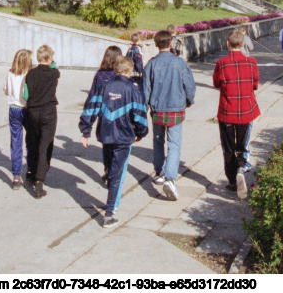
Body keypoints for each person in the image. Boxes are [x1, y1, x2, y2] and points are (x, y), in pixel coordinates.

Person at [80, 56, 149, 228]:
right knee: (116, 174)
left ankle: (110, 200)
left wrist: (86, 130)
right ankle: (109, 213)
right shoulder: (133, 90)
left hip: (105, 134)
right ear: (129, 70)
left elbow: (91, 107)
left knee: (110, 168)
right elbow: (139, 114)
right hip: (124, 136)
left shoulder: (105, 86)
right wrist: (141, 132)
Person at [142, 29, 197, 201]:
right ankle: (170, 178)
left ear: (156, 44)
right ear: (171, 43)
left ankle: (159, 172)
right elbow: (190, 86)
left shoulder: (151, 64)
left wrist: (143, 110)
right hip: (176, 109)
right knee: (174, 144)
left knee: (158, 141)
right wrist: (189, 101)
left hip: (158, 110)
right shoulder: (180, 63)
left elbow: (145, 90)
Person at [214, 30, 260, 200]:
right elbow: (255, 84)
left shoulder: (221, 63)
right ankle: (241, 167)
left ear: (227, 44)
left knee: (228, 147)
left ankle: (232, 181)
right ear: (243, 44)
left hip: (227, 111)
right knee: (242, 145)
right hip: (245, 111)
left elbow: (216, 83)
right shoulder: (251, 62)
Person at [82, 46, 125, 185]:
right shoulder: (121, 76)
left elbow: (93, 98)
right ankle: (114, 173)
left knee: (107, 146)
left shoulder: (100, 75)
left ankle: (108, 170)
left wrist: (86, 126)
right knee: (118, 147)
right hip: (121, 117)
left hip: (105, 117)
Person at [24, 44, 60, 198]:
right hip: (48, 111)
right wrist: (51, 61)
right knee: (45, 145)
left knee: (33, 141)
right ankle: (40, 180)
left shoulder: (30, 74)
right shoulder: (54, 73)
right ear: (50, 57)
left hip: (32, 111)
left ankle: (31, 171)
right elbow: (55, 66)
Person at [3, 49, 32, 189]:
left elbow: (6, 91)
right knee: (31, 140)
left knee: (16, 141)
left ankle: (16, 176)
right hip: (27, 108)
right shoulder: (30, 74)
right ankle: (30, 169)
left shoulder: (10, 74)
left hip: (14, 108)